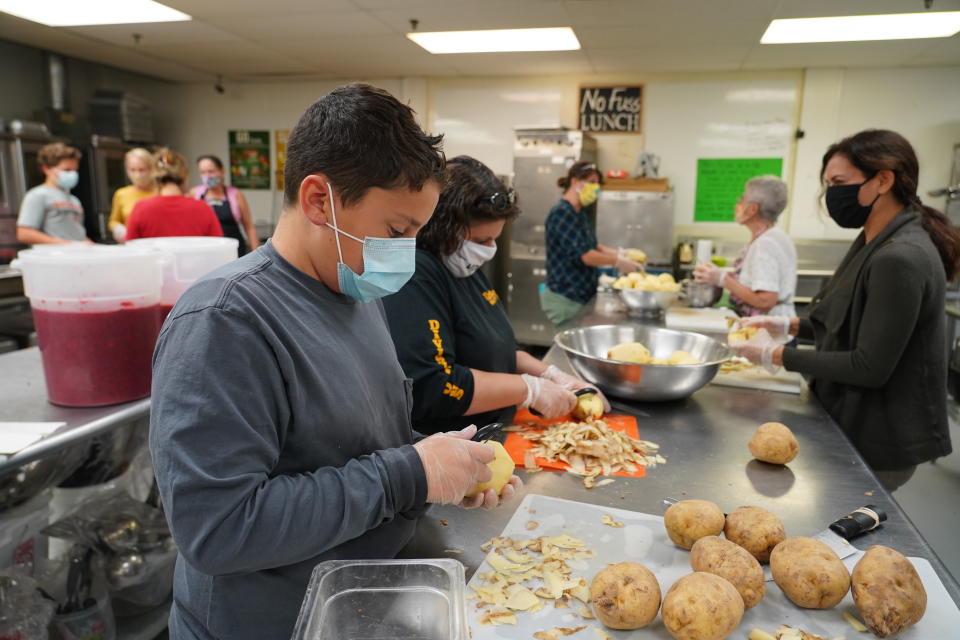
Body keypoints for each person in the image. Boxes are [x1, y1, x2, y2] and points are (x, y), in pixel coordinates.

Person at [149, 84, 520, 640]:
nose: (409, 253)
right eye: (398, 232)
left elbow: (355, 439)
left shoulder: (355, 293)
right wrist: (408, 475)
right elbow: (218, 530)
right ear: (320, 199)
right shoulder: (225, 321)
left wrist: (441, 466)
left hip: (359, 603)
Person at [732, 130, 957, 489]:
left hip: (878, 436)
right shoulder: (874, 239)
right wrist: (787, 325)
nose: (830, 194)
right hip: (851, 421)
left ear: (883, 180)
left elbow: (869, 366)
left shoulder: (901, 256)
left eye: (839, 182)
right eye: (827, 183)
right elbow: (850, 320)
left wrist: (773, 354)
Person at [383, 156, 608, 435]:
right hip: (454, 442)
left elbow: (497, 348)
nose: (490, 250)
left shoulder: (465, 265)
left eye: (494, 240)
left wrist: (550, 374)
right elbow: (436, 386)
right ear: (443, 228)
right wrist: (527, 390)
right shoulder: (418, 276)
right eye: (480, 241)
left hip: (497, 429)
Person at [541, 161, 643, 326]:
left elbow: (592, 246)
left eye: (597, 183)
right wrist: (617, 262)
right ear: (575, 181)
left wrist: (620, 253)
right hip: (566, 295)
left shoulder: (580, 212)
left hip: (580, 293)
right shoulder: (562, 213)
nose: (596, 187)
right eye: (592, 182)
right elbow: (585, 256)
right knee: (568, 345)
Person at [694, 175, 797, 317]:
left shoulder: (765, 243)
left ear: (753, 209)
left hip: (770, 332)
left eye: (742, 200)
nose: (736, 205)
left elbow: (766, 300)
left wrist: (723, 279)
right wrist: (731, 278)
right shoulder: (772, 236)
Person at [125, 148, 223, 241]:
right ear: (186, 177)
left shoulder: (140, 209)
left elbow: (131, 251)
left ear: (155, 178)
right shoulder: (204, 209)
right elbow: (219, 249)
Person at [15, 142, 92, 245]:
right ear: (46, 169)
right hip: (53, 259)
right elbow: (24, 233)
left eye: (75, 170)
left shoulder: (74, 200)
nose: (72, 174)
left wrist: (93, 247)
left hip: (75, 258)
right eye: (67, 170)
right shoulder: (37, 195)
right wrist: (67, 244)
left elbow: (77, 236)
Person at [189, 155, 260, 255]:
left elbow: (249, 227)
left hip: (234, 251)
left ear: (221, 171)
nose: (207, 176)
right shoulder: (194, 193)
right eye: (203, 172)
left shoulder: (235, 194)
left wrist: (256, 254)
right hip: (205, 252)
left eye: (211, 171)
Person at [107, 148, 156, 243]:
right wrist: (118, 228)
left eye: (141, 170)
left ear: (151, 169)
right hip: (129, 245)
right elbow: (113, 221)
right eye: (132, 170)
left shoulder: (159, 193)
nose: (137, 175)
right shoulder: (121, 194)